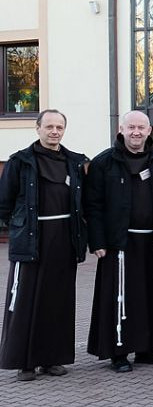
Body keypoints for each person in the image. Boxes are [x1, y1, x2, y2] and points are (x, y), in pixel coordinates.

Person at [0, 110, 89, 381]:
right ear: (37, 128)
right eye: (49, 126)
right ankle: (25, 362)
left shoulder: (74, 162)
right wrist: (20, 227)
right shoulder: (20, 162)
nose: (54, 131)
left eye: (59, 127)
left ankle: (52, 359)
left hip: (63, 239)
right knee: (27, 300)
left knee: (57, 301)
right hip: (32, 239)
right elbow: (4, 203)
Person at [85, 110, 153, 373]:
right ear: (121, 130)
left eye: (141, 128)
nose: (136, 132)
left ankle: (148, 349)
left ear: (149, 132)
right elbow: (93, 205)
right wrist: (98, 241)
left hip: (152, 243)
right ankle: (119, 351)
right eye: (131, 127)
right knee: (120, 297)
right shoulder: (104, 163)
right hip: (118, 243)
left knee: (151, 297)